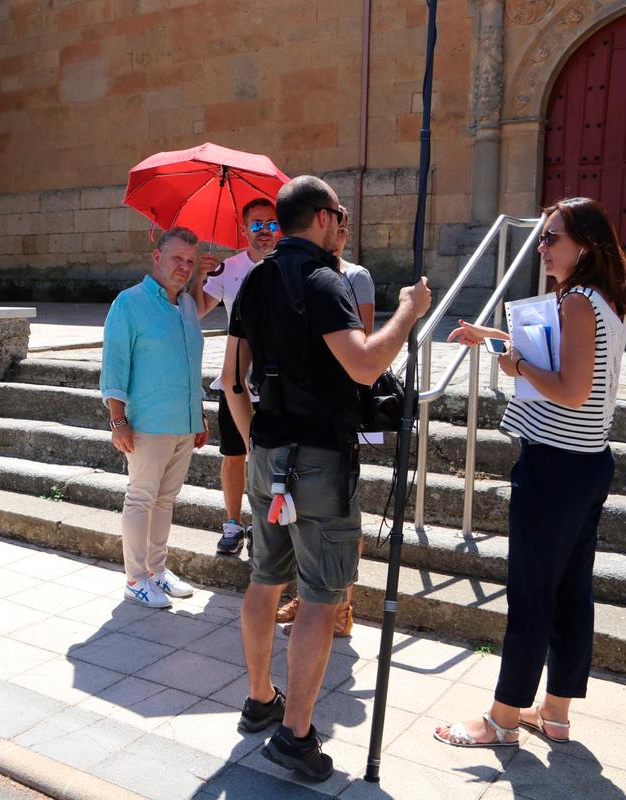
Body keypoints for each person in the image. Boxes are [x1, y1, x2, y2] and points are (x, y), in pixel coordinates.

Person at [224, 175, 430, 780]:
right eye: (339, 214)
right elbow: (365, 365)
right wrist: (409, 313)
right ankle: (294, 736)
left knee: (265, 579)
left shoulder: (257, 277)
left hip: (266, 454)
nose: (343, 224)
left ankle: (261, 698)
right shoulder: (325, 281)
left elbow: (234, 377)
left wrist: (259, 433)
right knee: (320, 596)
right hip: (319, 460)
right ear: (319, 218)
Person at [434, 197, 626, 749]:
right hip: (587, 463)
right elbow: (567, 362)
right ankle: (556, 713)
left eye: (551, 237)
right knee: (570, 592)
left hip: (554, 466)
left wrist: (514, 366)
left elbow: (570, 388)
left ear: (584, 245)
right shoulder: (602, 299)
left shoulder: (577, 303)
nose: (540, 246)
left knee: (531, 594)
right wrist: (493, 338)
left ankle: (502, 719)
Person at [276, 203, 373, 637]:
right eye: (334, 220)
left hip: (342, 412)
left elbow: (364, 346)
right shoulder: (299, 273)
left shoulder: (354, 276)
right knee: (307, 519)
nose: (337, 230)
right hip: (305, 416)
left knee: (341, 517)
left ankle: (342, 606)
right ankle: (310, 596)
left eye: (343, 224)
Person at [101, 227, 210, 609]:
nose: (184, 267)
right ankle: (135, 578)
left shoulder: (186, 306)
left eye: (190, 262)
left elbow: (190, 364)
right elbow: (115, 364)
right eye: (177, 258)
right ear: (157, 258)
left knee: (166, 500)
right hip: (146, 422)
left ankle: (157, 571)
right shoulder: (128, 303)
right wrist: (118, 420)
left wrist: (198, 413)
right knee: (141, 498)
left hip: (182, 421)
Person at [191, 198, 281, 557]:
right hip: (236, 381)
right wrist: (201, 276)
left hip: (278, 382)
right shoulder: (228, 268)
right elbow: (197, 310)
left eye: (272, 224)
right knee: (234, 455)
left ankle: (266, 524)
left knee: (273, 458)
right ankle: (232, 522)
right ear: (244, 229)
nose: (264, 231)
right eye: (256, 224)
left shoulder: (292, 267)